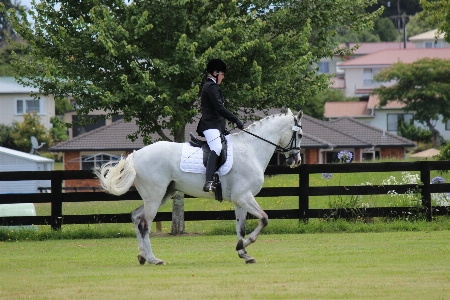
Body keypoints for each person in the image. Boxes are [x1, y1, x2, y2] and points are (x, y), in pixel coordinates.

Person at [197, 58, 244, 193]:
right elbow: (219, 109)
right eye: (222, 74)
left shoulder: (213, 87)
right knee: (217, 147)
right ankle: (209, 181)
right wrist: (236, 120)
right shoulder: (210, 87)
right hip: (209, 125)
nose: (223, 77)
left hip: (216, 126)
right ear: (216, 73)